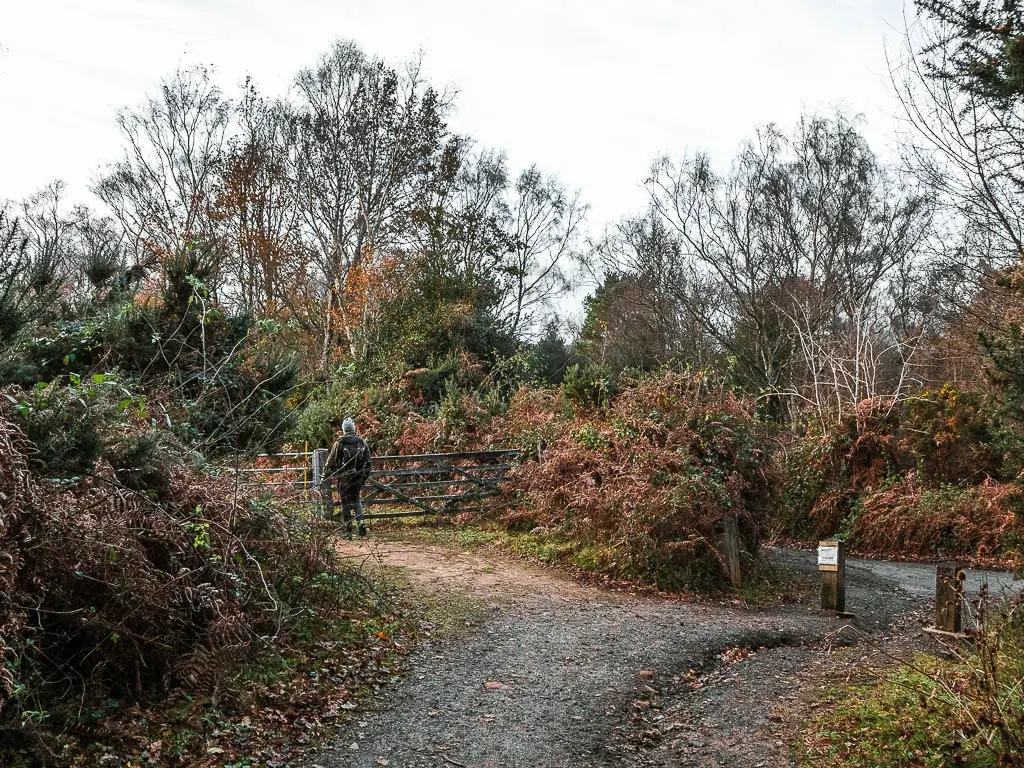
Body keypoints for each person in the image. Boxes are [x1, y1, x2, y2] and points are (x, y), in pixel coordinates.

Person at [322, 417, 372, 538]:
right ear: (353, 428)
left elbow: (331, 460)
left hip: (344, 477)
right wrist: (364, 475)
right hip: (358, 476)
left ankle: (348, 528)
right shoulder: (362, 442)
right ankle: (360, 523)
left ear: (344, 429)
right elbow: (368, 461)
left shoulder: (340, 442)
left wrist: (326, 473)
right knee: (356, 499)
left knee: (345, 502)